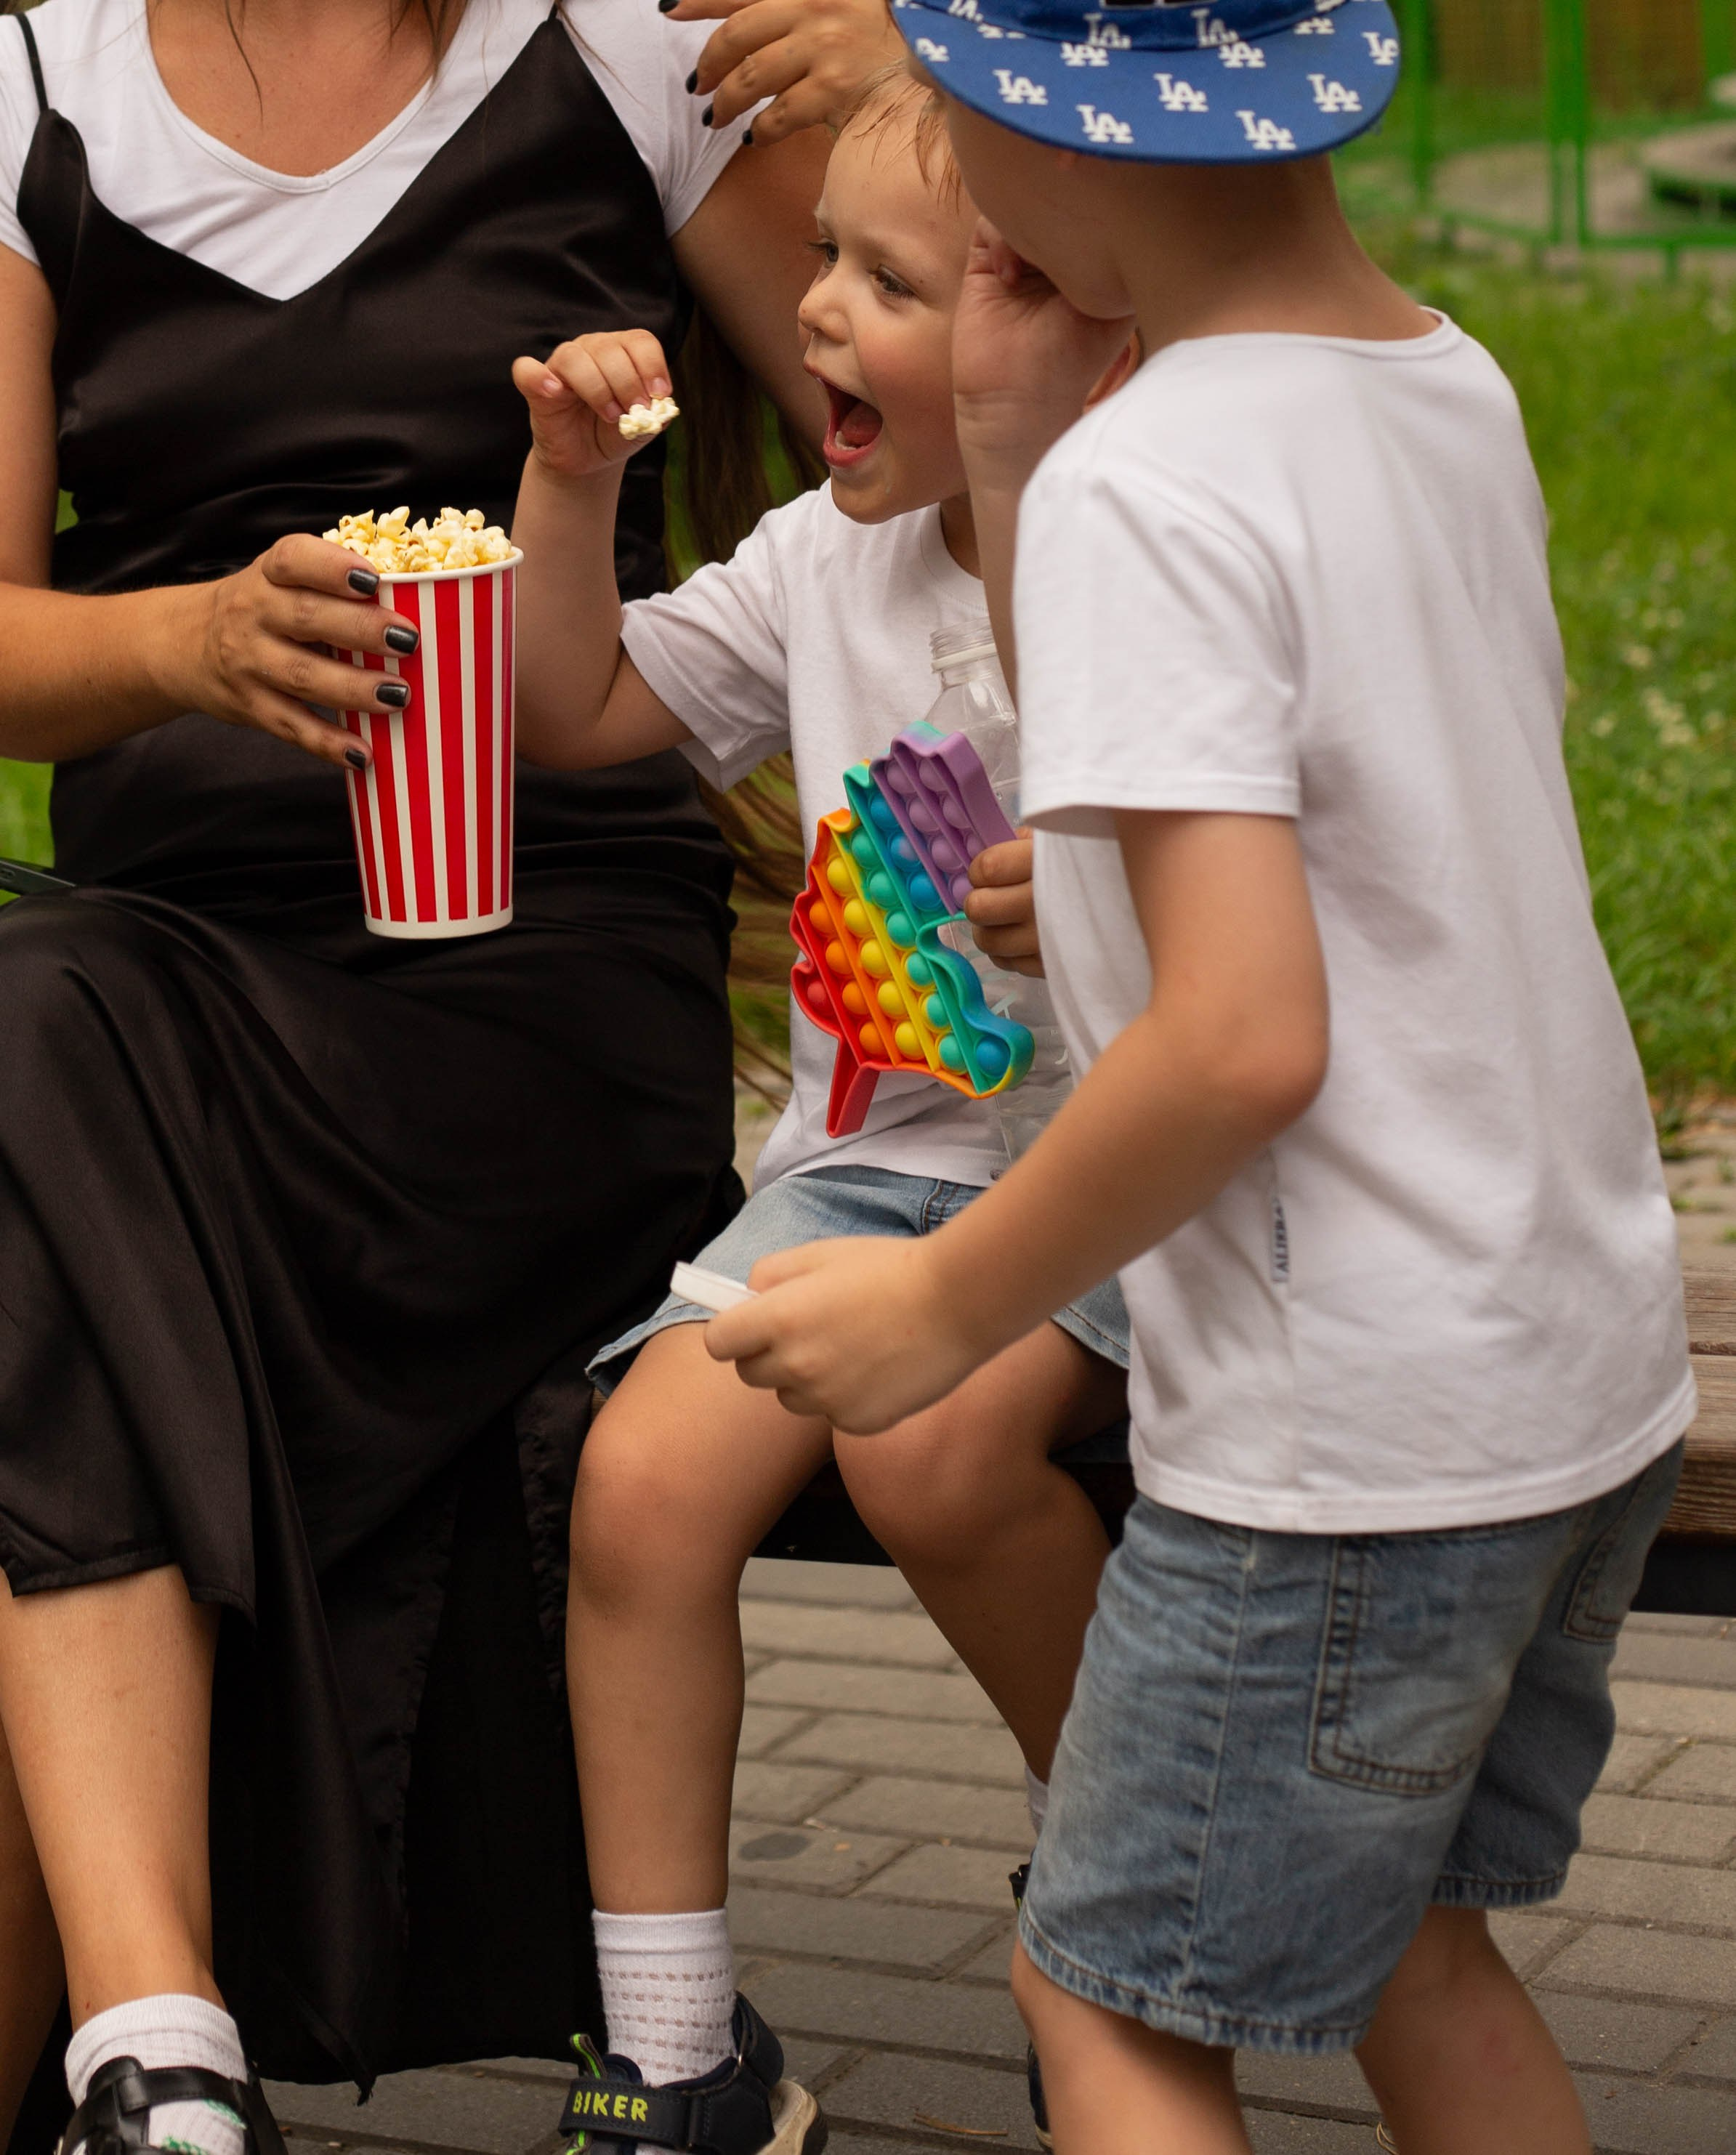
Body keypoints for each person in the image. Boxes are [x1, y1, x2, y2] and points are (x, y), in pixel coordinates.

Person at [699, 5, 1699, 2152]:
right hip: (1564, 1370)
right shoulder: (1440, 376)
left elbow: (1242, 1037)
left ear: (1050, 142)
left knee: (1108, 2003)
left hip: (1348, 1438)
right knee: (1419, 1953)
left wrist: (938, 1303)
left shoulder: (1148, 484)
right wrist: (1023, 441)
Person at [0, 0, 899, 2146]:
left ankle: (150, 2061)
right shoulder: (33, 80)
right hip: (176, 977)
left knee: (36, 1169)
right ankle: (159, 2045)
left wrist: (931, 86)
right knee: (33, 1052)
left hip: (545, 981)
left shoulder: (630, 43)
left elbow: (982, 404)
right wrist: (186, 639)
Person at [506, 71, 1129, 2154]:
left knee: (939, 1449)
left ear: (1069, 321)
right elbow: (577, 708)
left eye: (888, 281)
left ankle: (1109, 1915)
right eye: (821, 261)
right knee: (639, 1482)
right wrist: (571, 488)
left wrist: (1098, 899)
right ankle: (677, 2051)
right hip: (871, 1176)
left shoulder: (1152, 560)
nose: (818, 313)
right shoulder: (817, 559)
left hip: (1126, 1181)